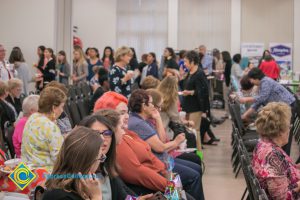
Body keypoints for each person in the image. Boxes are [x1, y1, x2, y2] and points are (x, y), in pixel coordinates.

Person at [93, 92, 198, 199]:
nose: (127, 116)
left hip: (160, 176)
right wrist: (170, 185)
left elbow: (152, 156)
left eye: (127, 112)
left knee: (187, 186)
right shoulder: (117, 144)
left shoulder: (127, 133)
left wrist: (167, 172)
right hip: (151, 186)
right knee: (191, 181)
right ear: (108, 116)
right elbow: (139, 172)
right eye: (121, 113)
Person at [128, 89, 205, 200]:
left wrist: (158, 118)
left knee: (196, 167)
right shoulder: (138, 124)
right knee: (194, 176)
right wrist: (176, 141)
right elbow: (160, 148)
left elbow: (163, 140)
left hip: (162, 164)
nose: (154, 107)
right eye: (151, 103)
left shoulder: (144, 120)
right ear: (144, 106)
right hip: (159, 167)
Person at [238, 68, 296, 155]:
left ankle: (284, 159)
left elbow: (262, 97)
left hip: (288, 107)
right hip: (282, 108)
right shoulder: (262, 84)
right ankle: (280, 156)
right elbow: (258, 102)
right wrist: (245, 115)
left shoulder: (266, 82)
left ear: (256, 78)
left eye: (251, 80)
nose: (252, 82)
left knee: (284, 133)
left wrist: (246, 99)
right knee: (280, 132)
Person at [252, 102, 300, 199]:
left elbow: (285, 169)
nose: (289, 130)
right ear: (280, 131)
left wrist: (296, 167)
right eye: (289, 127)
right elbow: (282, 197)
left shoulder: (263, 144)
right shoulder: (272, 156)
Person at [43, 127, 104, 200]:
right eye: (100, 157)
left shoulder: (74, 190)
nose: (99, 163)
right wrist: (96, 197)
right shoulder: (62, 197)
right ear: (88, 162)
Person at [21, 86, 66, 172]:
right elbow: (60, 160)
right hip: (44, 177)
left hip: (24, 174)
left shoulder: (32, 118)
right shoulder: (50, 127)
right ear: (53, 108)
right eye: (62, 106)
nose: (62, 110)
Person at [181, 50, 210, 150]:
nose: (184, 64)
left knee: (194, 130)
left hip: (196, 106)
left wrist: (191, 92)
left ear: (192, 62)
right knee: (189, 130)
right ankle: (193, 153)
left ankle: (198, 155)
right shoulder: (190, 73)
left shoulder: (199, 74)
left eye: (186, 61)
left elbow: (203, 91)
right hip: (188, 105)